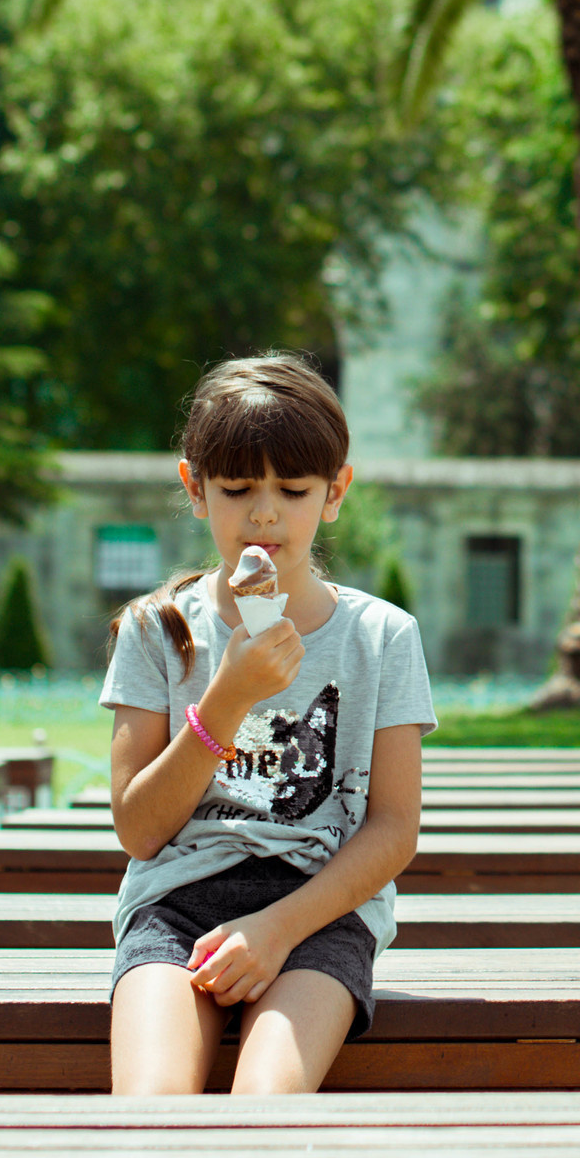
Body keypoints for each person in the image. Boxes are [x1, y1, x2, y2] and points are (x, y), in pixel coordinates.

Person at [101, 354, 435, 1096]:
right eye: (237, 489)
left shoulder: (381, 637)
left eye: (293, 490)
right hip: (176, 906)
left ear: (335, 492)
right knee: (151, 1106)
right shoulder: (158, 632)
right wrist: (227, 697)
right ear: (195, 488)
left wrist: (277, 929)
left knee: (266, 1104)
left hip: (320, 909)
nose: (264, 514)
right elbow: (139, 831)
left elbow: (393, 830)